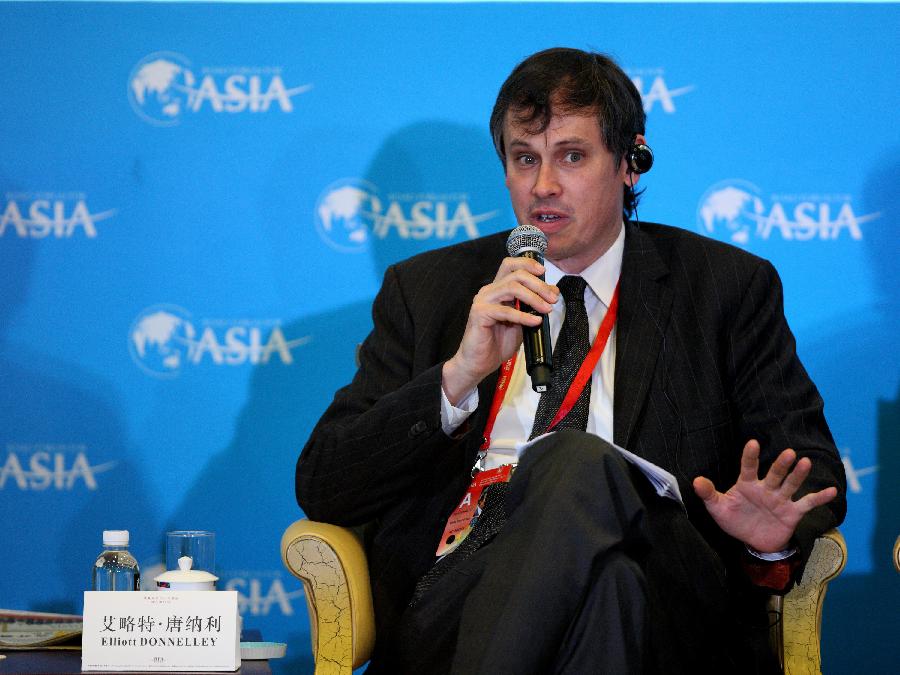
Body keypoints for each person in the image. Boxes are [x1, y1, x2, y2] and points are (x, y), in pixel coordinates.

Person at [296, 47, 846, 674]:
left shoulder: (724, 287)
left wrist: (761, 537)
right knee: (608, 591)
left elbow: (812, 468)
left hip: (669, 589)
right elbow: (325, 485)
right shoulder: (429, 292)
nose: (543, 186)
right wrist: (458, 376)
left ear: (631, 162)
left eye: (572, 157)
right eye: (524, 158)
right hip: (465, 588)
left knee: (575, 459)